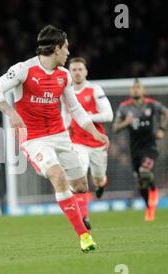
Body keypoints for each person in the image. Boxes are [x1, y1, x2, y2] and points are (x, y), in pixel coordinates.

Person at [0, 25, 109, 253]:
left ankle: (70, 203)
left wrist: (95, 132)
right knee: (57, 176)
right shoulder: (23, 70)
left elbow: (75, 108)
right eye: (66, 49)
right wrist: (11, 112)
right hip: (33, 139)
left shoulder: (64, 76)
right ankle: (84, 235)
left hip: (60, 136)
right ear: (55, 49)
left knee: (81, 186)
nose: (68, 53)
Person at [62, 57, 113, 230]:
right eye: (73, 70)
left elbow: (108, 115)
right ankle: (84, 216)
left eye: (79, 69)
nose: (76, 72)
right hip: (77, 142)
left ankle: (101, 184)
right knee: (79, 176)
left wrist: (85, 117)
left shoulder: (94, 89)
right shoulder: (66, 92)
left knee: (98, 177)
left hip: (96, 142)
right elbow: (65, 115)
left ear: (86, 72)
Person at [113, 79, 168, 221]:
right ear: (130, 91)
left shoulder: (151, 104)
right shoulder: (124, 107)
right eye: (134, 87)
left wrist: (161, 129)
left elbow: (166, 112)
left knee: (145, 172)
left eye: (138, 87)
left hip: (150, 146)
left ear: (143, 90)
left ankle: (153, 191)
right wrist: (125, 123)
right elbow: (115, 129)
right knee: (140, 181)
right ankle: (149, 207)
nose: (136, 90)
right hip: (135, 149)